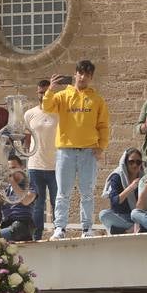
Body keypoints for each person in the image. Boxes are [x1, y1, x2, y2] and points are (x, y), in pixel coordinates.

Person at [41, 61, 111, 239]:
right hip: (66, 150)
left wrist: (101, 147)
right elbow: (46, 107)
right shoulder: (63, 95)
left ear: (91, 77)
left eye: (87, 74)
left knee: (87, 192)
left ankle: (87, 228)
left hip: (89, 151)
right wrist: (51, 89)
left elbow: (103, 126)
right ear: (75, 74)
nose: (83, 77)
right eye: (80, 73)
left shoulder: (97, 100)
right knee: (63, 192)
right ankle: (60, 228)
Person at [25, 79, 59, 239]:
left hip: (56, 165)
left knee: (57, 202)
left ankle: (58, 233)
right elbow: (26, 137)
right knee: (38, 205)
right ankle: (36, 237)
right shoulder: (30, 114)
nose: (43, 95)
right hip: (35, 165)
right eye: (40, 92)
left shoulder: (59, 113)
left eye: (46, 92)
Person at [99, 147, 142, 235]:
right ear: (125, 163)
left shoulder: (143, 177)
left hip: (138, 216)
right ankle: (131, 229)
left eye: (138, 162)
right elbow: (115, 202)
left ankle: (124, 230)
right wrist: (131, 187)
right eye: (131, 162)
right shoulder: (117, 177)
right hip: (121, 216)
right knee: (103, 214)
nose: (135, 165)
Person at [0, 156, 36, 242]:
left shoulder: (28, 184)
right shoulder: (6, 187)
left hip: (22, 225)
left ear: (22, 167)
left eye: (13, 168)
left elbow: (26, 201)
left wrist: (12, 181)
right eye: (8, 169)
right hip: (7, 224)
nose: (11, 171)